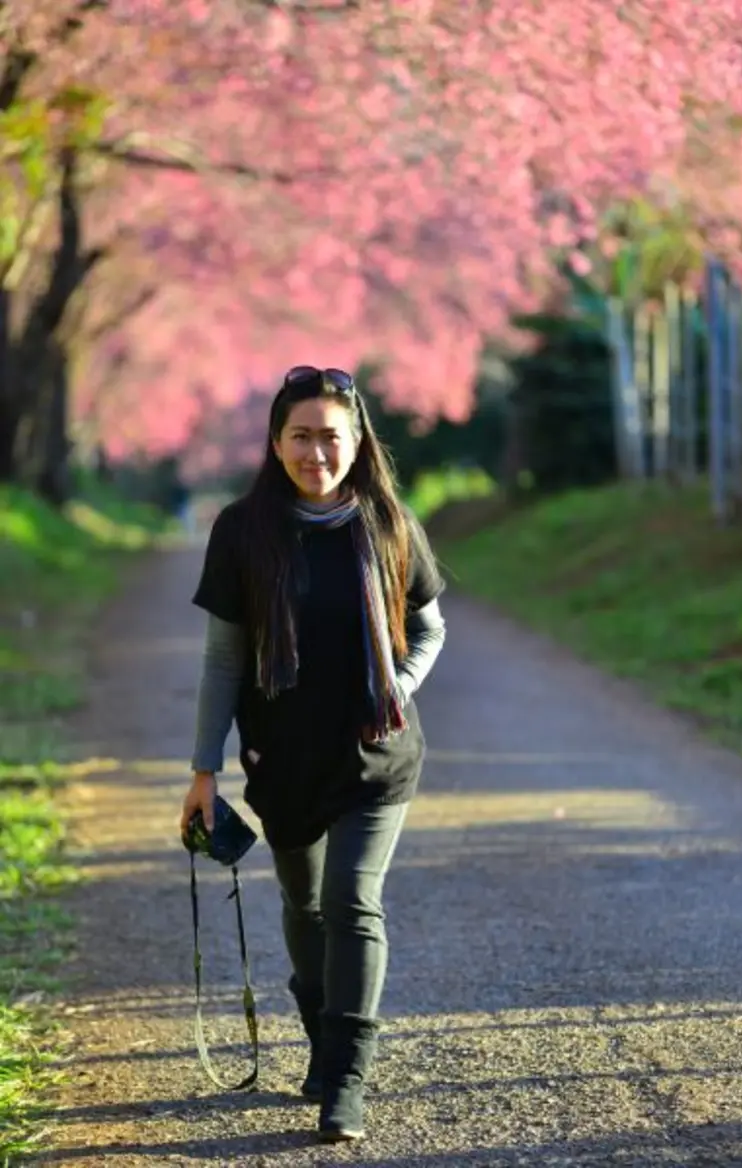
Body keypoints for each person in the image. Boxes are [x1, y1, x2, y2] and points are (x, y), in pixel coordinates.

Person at [180, 366, 446, 1143]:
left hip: (376, 752)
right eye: (301, 435)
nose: (316, 451)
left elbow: (429, 627)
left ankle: (347, 1081)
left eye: (331, 435)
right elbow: (224, 661)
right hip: (284, 758)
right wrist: (204, 771)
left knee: (353, 903)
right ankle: (324, 1046)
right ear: (276, 440)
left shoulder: (390, 524)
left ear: (357, 441)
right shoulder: (242, 531)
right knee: (305, 907)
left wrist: (395, 685)